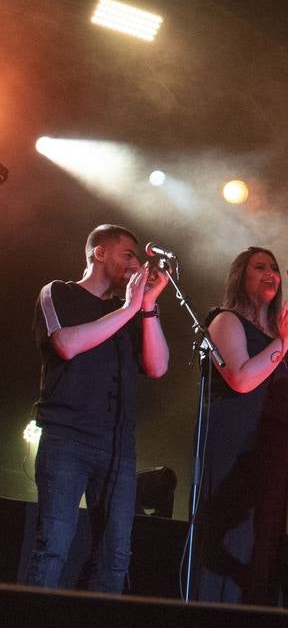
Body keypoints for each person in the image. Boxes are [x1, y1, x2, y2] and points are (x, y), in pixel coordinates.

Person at [27, 223, 170, 592]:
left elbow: (157, 367)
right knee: (54, 546)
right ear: (99, 253)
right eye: (127, 254)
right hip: (67, 439)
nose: (135, 264)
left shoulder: (129, 310)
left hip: (118, 444)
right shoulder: (59, 292)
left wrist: (148, 308)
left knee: (116, 554)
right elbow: (67, 345)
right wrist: (128, 308)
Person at [195, 247, 288, 604]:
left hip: (271, 450)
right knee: (234, 533)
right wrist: (282, 343)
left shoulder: (279, 336)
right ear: (241, 276)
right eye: (260, 267)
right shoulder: (226, 320)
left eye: (275, 268)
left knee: (263, 544)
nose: (271, 273)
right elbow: (240, 380)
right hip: (234, 444)